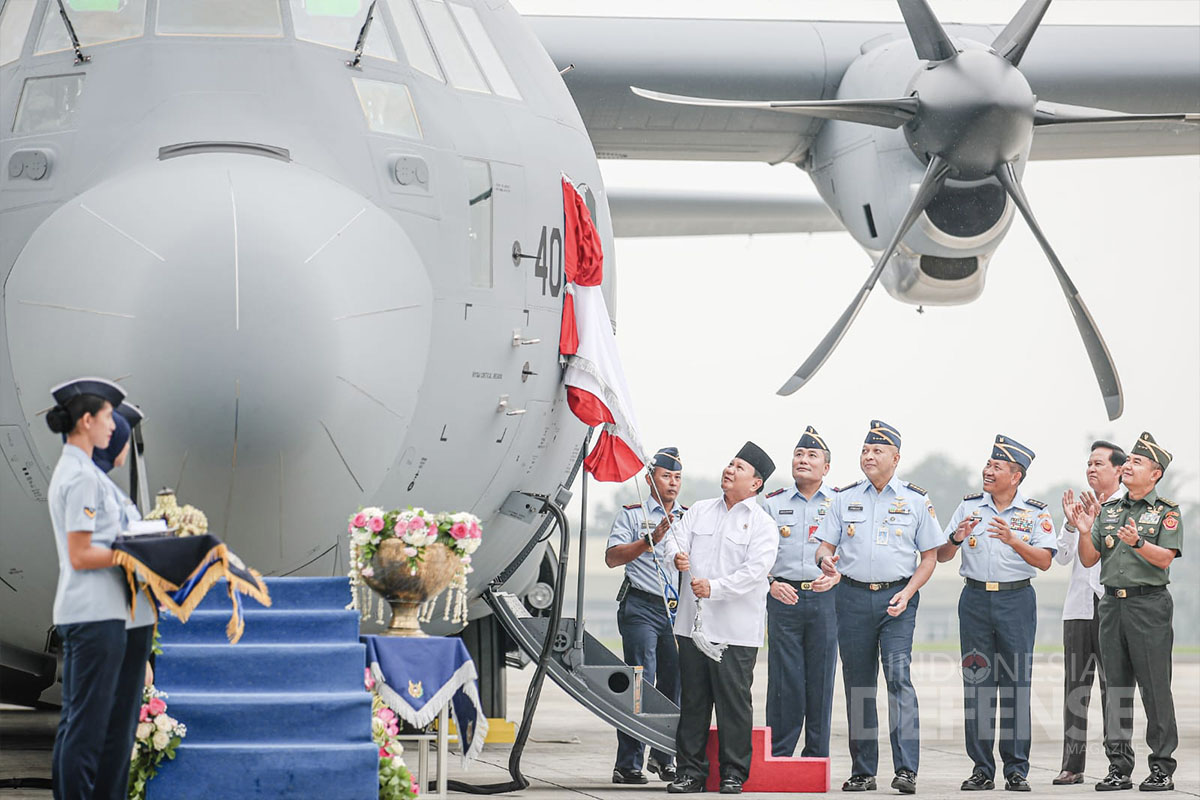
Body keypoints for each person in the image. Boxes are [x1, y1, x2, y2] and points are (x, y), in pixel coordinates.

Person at [815, 420, 941, 795]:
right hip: (851, 598)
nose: (868, 456)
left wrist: (908, 592)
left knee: (899, 679)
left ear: (895, 458)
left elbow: (930, 557)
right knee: (859, 686)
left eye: (877, 451)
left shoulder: (916, 500)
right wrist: (825, 560)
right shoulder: (843, 498)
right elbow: (824, 546)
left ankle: (906, 771)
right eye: (865, 450)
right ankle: (863, 771)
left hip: (897, 601)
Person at [936, 435, 1056, 792]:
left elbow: (1046, 561)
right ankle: (981, 768)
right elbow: (942, 555)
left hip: (1016, 601)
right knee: (978, 685)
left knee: (1016, 684)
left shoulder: (1034, 512)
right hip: (974, 601)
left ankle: (1016, 769)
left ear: (1015, 476)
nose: (987, 471)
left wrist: (1014, 540)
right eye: (988, 465)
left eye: (997, 467)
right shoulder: (969, 507)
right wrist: (956, 539)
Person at [657, 442, 778, 795]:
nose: (729, 470)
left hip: (735, 631)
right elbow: (674, 541)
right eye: (729, 463)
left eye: (739, 467)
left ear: (755, 483)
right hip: (693, 625)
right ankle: (690, 772)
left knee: (733, 703)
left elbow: (756, 572)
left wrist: (716, 587)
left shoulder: (762, 524)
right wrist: (676, 555)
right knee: (694, 700)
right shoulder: (700, 510)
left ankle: (733, 773)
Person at [1069, 432, 1181, 792]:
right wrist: (1086, 531)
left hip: (1148, 605)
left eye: (1137, 462)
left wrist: (1138, 542)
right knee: (1115, 688)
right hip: (1111, 606)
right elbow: (1089, 558)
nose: (1129, 466)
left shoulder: (1165, 511)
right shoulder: (1110, 511)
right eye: (1128, 461)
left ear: (1155, 473)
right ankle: (1119, 766)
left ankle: (1161, 767)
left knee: (1154, 688)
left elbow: (1164, 559)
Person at [44, 376, 131, 800]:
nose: (113, 427)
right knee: (86, 727)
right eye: (108, 417)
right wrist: (133, 556)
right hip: (93, 614)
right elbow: (81, 553)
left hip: (97, 613)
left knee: (85, 724)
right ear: (85, 421)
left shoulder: (80, 472)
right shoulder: (81, 478)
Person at [605, 447, 685, 784]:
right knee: (641, 681)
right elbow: (612, 557)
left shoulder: (687, 516)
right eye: (666, 476)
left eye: (678, 477)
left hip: (675, 609)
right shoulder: (632, 513)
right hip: (641, 606)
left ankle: (664, 757)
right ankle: (628, 763)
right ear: (650, 479)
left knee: (674, 684)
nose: (673, 483)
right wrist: (647, 542)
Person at [91, 402, 158, 800]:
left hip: (128, 616)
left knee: (118, 728)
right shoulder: (85, 486)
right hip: (104, 615)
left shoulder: (108, 490)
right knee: (90, 729)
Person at [761, 426, 839, 759]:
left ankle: (816, 756)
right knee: (784, 679)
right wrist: (770, 584)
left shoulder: (841, 502)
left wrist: (837, 578)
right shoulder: (772, 504)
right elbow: (757, 554)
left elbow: (852, 550)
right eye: (798, 454)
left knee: (821, 679)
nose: (803, 460)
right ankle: (779, 754)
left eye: (811, 455)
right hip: (784, 596)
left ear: (826, 467)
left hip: (827, 598)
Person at [1053, 440, 1124, 785]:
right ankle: (1072, 764)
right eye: (1089, 463)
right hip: (1079, 607)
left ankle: (1118, 763)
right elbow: (1062, 558)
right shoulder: (1080, 507)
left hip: (1113, 607)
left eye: (1099, 463)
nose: (1091, 469)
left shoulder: (1128, 508)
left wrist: (1097, 524)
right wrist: (1071, 525)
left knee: (1115, 688)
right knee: (1075, 688)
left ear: (1118, 470)